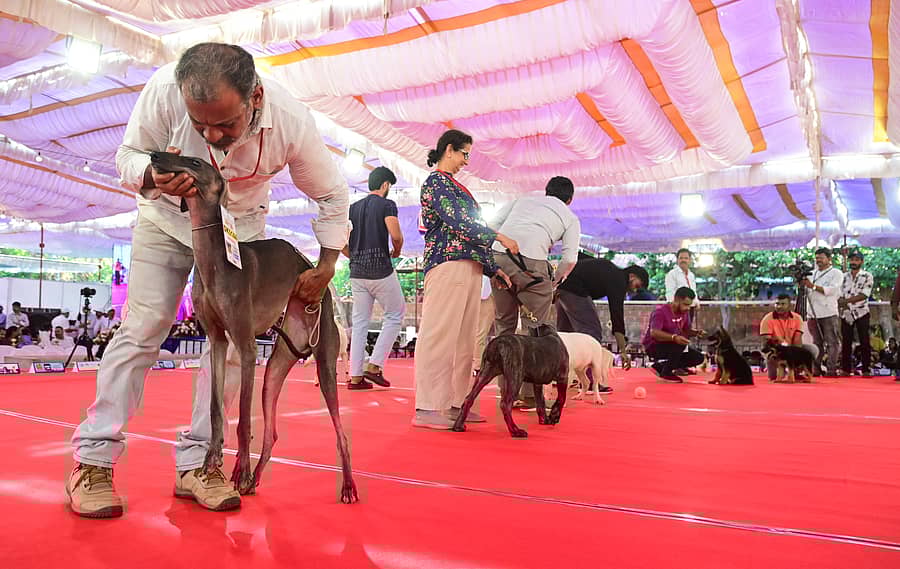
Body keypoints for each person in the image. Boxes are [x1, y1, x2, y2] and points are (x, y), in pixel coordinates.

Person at [68, 43, 350, 519]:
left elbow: (332, 193)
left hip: (240, 229)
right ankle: (92, 461)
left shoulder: (291, 121)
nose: (213, 135)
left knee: (234, 348)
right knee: (145, 326)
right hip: (165, 220)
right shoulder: (163, 89)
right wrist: (154, 175)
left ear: (255, 97)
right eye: (201, 125)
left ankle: (201, 462)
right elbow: (127, 157)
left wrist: (326, 266)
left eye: (225, 124)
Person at [412, 129, 516, 430]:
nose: (466, 161)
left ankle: (458, 403)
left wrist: (492, 269)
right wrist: (498, 235)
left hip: (469, 267)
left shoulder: (456, 187)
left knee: (465, 341)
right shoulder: (436, 183)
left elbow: (468, 231)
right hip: (447, 264)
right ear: (448, 150)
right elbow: (460, 223)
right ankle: (428, 406)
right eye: (464, 153)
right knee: (439, 334)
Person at [487, 176, 580, 407]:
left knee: (504, 326)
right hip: (533, 267)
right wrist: (554, 282)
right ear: (570, 199)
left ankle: (506, 393)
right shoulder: (569, 217)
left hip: (499, 257)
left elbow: (490, 227)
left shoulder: (522, 200)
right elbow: (569, 258)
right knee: (535, 331)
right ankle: (529, 396)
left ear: (546, 192)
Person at [343, 166, 404, 390]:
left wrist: (354, 255)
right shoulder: (387, 205)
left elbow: (340, 241)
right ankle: (375, 365)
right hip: (380, 270)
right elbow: (395, 235)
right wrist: (397, 250)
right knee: (395, 314)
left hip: (357, 273)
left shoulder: (352, 208)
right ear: (385, 185)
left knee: (359, 323)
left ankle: (356, 376)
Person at [555, 256, 649, 372]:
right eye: (637, 286)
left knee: (566, 334)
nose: (634, 291)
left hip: (561, 285)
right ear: (632, 276)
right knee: (591, 335)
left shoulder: (609, 270)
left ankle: (560, 377)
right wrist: (623, 352)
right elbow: (617, 316)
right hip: (574, 289)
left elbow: (578, 257)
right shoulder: (619, 280)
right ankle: (590, 380)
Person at [642, 287, 705, 383]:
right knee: (680, 344)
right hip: (654, 346)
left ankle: (660, 367)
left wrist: (696, 333)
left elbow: (685, 330)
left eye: (689, 305)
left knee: (699, 357)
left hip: (674, 345)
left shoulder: (685, 312)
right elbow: (654, 332)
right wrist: (674, 338)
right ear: (676, 300)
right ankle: (666, 373)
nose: (688, 308)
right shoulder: (660, 312)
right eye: (685, 304)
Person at [800, 247, 843, 376]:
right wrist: (802, 285)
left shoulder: (836, 273)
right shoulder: (811, 274)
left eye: (821, 258)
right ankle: (816, 369)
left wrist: (812, 286)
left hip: (828, 312)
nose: (818, 260)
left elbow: (832, 290)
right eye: (817, 258)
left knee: (832, 342)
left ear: (829, 259)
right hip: (813, 313)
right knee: (816, 343)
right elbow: (806, 291)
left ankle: (831, 369)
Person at [759, 293, 819, 381]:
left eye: (783, 304)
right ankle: (779, 371)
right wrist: (778, 348)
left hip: (791, 348)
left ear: (789, 305)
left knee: (812, 349)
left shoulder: (797, 318)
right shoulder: (767, 319)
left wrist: (794, 358)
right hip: (775, 349)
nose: (779, 306)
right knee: (773, 377)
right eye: (777, 304)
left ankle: (797, 372)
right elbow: (767, 341)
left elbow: (797, 341)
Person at [839, 251, 873, 376]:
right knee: (846, 341)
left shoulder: (867, 276)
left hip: (861, 312)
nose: (854, 262)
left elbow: (864, 295)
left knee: (864, 341)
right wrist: (843, 304)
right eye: (852, 260)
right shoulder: (843, 276)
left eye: (857, 260)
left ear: (861, 261)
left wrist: (845, 301)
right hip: (846, 312)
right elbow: (838, 293)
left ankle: (866, 369)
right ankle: (846, 369)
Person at [472, 275, 495, 374]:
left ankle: (477, 364)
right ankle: (477, 365)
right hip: (486, 296)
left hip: (483, 294)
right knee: (481, 332)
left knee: (480, 333)